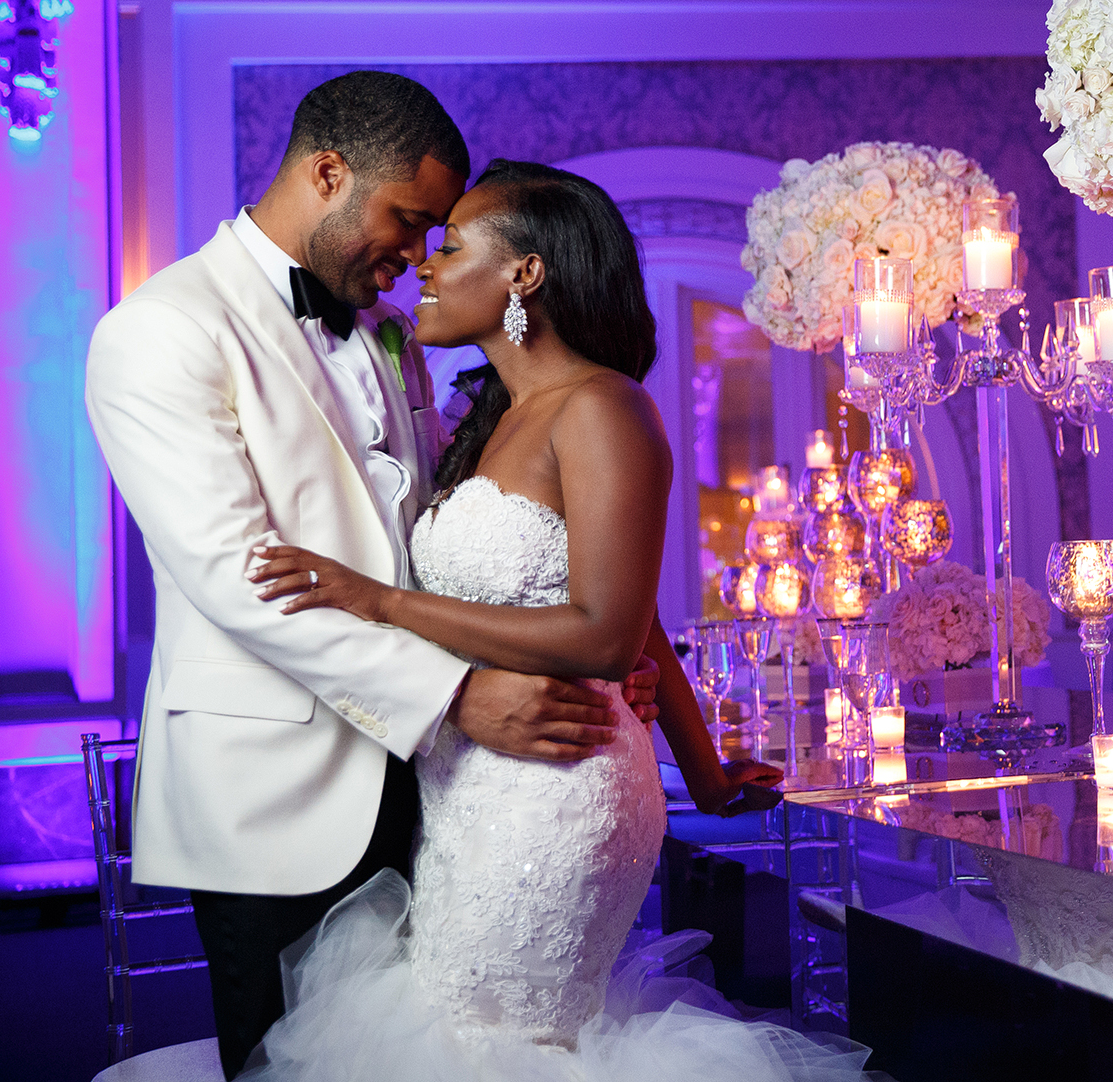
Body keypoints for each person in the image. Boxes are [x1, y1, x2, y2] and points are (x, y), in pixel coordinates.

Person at [234, 160, 867, 1080]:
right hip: (468, 784)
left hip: (557, 792)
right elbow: (641, 625)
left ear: (523, 273)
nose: (425, 266)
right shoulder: (492, 416)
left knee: (491, 1039)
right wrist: (706, 766)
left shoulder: (606, 408)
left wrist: (377, 599)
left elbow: (611, 631)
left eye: (449, 247)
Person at [84, 74, 661, 1079]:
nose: (416, 254)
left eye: (440, 231)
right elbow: (238, 577)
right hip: (277, 794)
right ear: (327, 172)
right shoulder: (161, 328)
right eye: (408, 220)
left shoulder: (391, 334)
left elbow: (440, 539)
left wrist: (605, 657)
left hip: (444, 795)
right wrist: (455, 696)